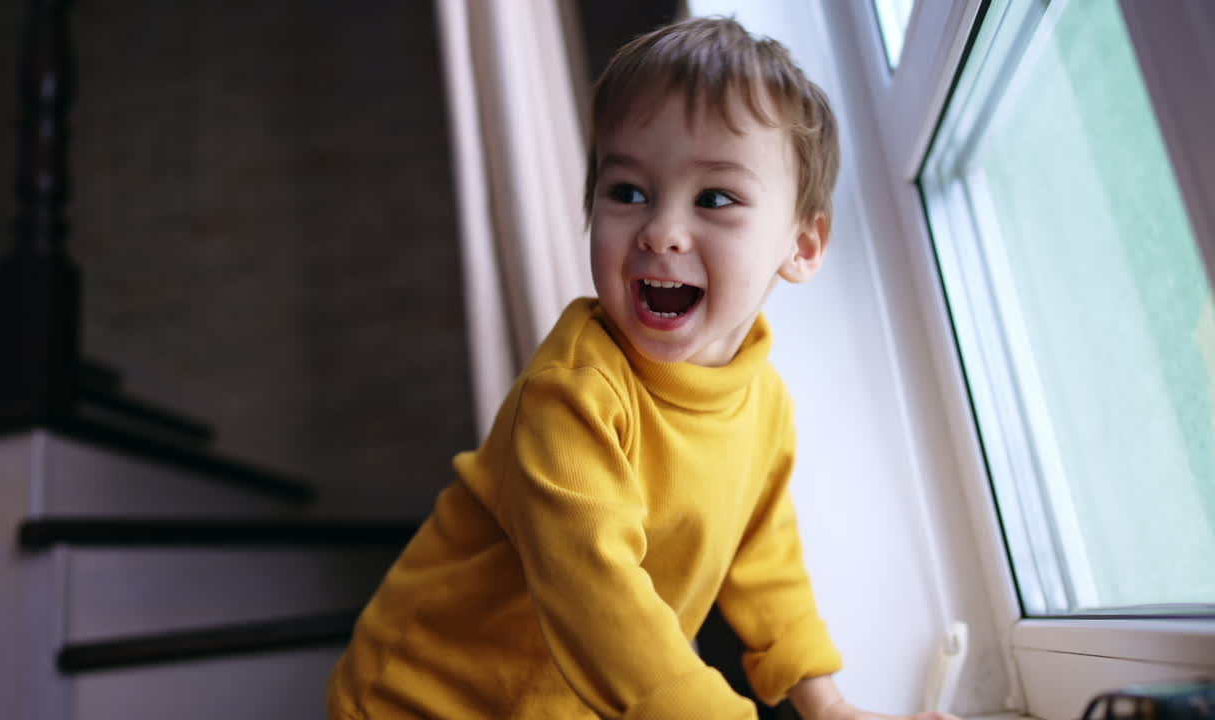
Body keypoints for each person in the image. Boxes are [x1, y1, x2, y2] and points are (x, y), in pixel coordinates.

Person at [329, 16, 954, 720]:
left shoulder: (764, 404)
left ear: (802, 245)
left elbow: (765, 561)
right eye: (628, 191)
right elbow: (598, 600)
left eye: (714, 198)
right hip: (425, 699)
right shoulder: (573, 394)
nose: (661, 231)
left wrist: (827, 704)